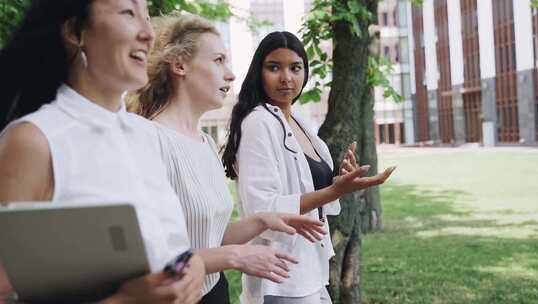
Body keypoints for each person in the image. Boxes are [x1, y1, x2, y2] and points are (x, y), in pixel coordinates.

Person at [0, 1, 205, 303]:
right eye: (128, 13)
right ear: (75, 31)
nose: (149, 33)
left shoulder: (146, 135)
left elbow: (167, 252)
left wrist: (193, 265)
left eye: (147, 16)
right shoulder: (34, 141)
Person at [129, 14, 327, 303]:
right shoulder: (146, 138)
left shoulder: (206, 143)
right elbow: (146, 260)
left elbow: (212, 237)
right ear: (180, 65)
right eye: (219, 60)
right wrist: (234, 257)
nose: (231, 74)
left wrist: (262, 220)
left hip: (214, 293)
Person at [221, 31, 396, 304]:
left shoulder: (298, 121)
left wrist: (339, 181)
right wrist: (334, 191)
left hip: (311, 272)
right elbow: (262, 209)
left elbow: (310, 191)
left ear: (305, 72)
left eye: (295, 68)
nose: (286, 78)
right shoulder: (258, 122)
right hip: (282, 279)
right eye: (274, 67)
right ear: (259, 72)